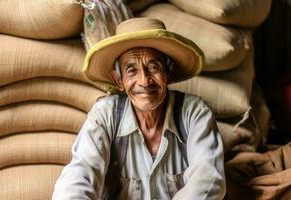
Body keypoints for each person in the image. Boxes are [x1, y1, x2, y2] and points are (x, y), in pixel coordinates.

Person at [52, 17, 226, 200]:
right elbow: (78, 176)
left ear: (169, 72)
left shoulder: (193, 113)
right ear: (119, 80)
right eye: (131, 71)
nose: (144, 81)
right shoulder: (106, 115)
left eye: (153, 67)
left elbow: (209, 180)